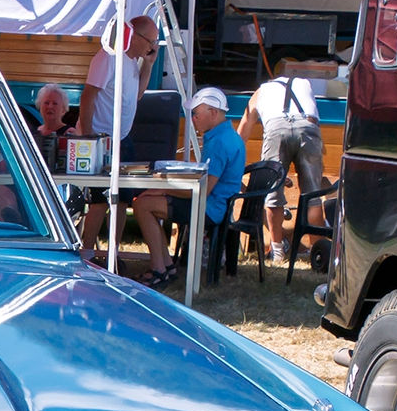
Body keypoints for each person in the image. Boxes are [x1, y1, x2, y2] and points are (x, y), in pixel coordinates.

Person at [132, 87, 245, 288]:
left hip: (209, 209)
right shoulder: (228, 135)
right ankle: (165, 266)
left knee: (142, 205)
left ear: (213, 113)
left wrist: (163, 189)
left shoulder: (219, 142)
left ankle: (160, 268)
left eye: (196, 114)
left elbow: (203, 190)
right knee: (144, 202)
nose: (192, 119)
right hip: (216, 206)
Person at [75, 15, 158, 263]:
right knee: (99, 201)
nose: (152, 46)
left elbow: (139, 95)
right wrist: (88, 137)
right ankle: (87, 254)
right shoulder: (109, 57)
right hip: (100, 137)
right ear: (136, 37)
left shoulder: (132, 62)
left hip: (122, 138)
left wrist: (149, 64)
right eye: (151, 41)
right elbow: (88, 96)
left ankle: (113, 252)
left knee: (123, 199)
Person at [237, 74, 325, 264]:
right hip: (307, 127)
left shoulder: (261, 91)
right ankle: (318, 252)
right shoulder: (305, 84)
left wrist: (233, 156)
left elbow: (245, 125)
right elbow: (314, 120)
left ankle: (277, 250)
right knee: (313, 196)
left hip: (276, 127)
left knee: (272, 192)